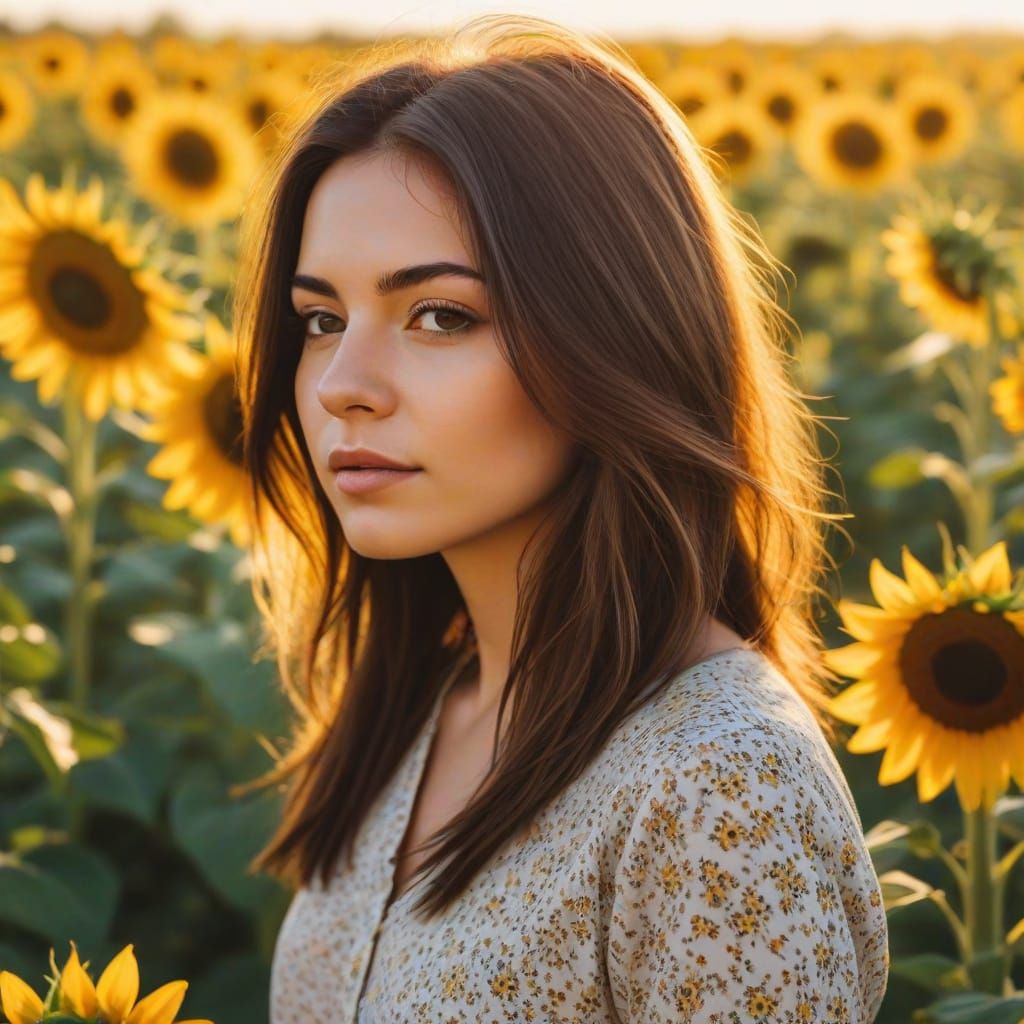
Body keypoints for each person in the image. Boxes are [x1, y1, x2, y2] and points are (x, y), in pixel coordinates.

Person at [231, 13, 890, 1023]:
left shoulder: (714, 785)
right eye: (322, 320)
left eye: (440, 315)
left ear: (612, 336)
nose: (342, 387)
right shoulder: (421, 708)